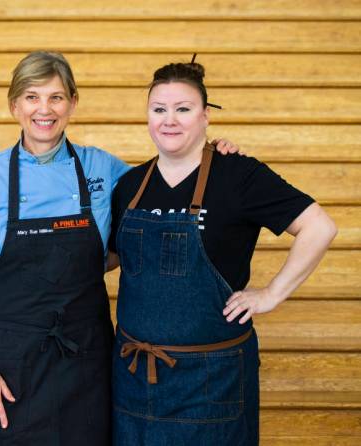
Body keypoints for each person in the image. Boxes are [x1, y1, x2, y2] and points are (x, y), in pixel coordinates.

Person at [0, 51, 238, 445]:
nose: (44, 109)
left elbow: (169, 180)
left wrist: (210, 155)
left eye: (56, 97)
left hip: (87, 363)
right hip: (7, 366)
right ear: (14, 105)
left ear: (73, 103)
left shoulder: (103, 170)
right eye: (32, 97)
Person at [108, 59, 337, 445]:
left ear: (205, 116)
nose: (170, 120)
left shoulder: (238, 175)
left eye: (183, 109)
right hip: (134, 379)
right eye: (159, 109)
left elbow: (320, 227)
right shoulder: (130, 185)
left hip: (212, 382)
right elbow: (115, 258)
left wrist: (271, 293)